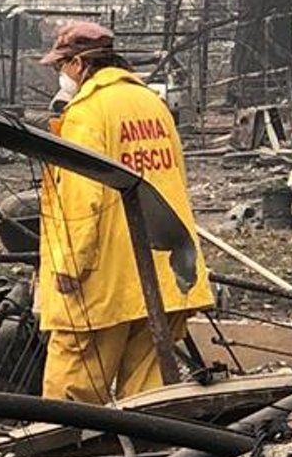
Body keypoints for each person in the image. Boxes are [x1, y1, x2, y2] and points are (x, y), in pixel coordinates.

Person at [36, 20, 214, 402]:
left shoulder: (87, 111)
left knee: (72, 393)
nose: (59, 75)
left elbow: (84, 196)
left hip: (105, 281)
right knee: (148, 397)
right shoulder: (152, 103)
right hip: (163, 275)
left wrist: (69, 264)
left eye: (60, 66)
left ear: (80, 64)